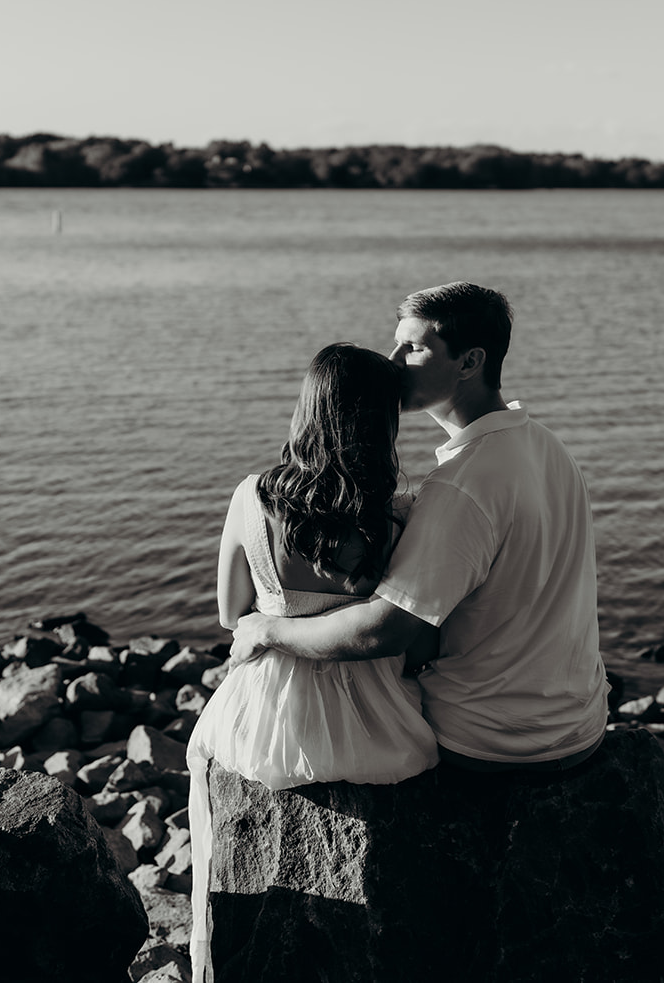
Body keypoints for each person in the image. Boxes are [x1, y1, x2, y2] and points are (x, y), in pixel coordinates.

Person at [232, 281, 608, 772]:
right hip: (578, 723)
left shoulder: (461, 486)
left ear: (470, 362)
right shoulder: (546, 446)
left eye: (412, 348)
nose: (391, 361)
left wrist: (267, 628)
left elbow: (382, 633)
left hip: (496, 740)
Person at [185, 342, 438, 982]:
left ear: (307, 409)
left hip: (264, 721)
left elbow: (230, 612)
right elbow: (419, 645)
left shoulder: (252, 497)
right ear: (381, 425)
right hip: (376, 722)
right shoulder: (398, 517)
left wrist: (281, 612)